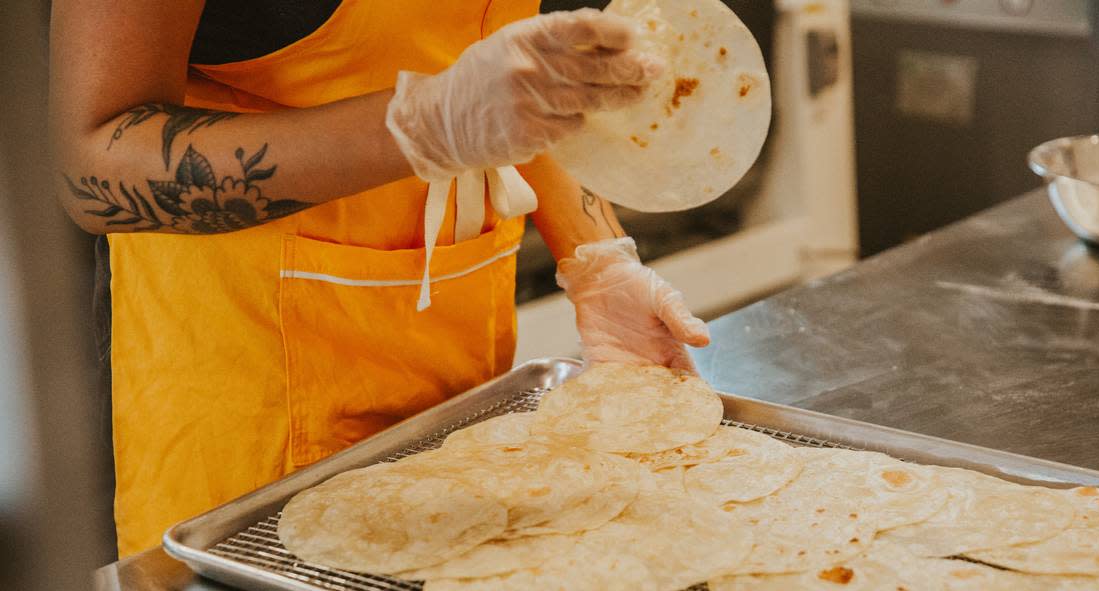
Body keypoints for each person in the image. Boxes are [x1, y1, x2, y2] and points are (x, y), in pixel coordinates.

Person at [50, 0, 710, 557]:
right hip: (244, 407)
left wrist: (598, 259)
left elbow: (507, 75)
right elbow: (91, 164)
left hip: (458, 384)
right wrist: (417, 127)